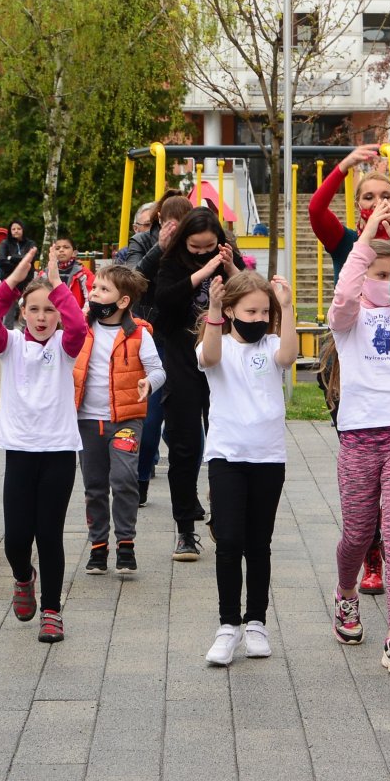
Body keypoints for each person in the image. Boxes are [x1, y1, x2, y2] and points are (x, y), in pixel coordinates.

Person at [0, 245, 91, 645]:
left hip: (59, 451)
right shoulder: (10, 345)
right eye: (35, 309)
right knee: (16, 539)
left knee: (50, 534)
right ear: (23, 312)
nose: (42, 317)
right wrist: (12, 282)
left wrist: (60, 287)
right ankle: (23, 577)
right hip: (21, 452)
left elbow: (79, 329)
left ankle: (52, 610)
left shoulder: (64, 347)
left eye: (50, 310)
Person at [325, 203, 390, 674]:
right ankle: (346, 594)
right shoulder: (348, 319)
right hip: (360, 437)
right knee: (359, 534)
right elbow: (345, 291)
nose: (383, 280)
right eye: (374, 272)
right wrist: (364, 239)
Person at [198, 271, 297, 665]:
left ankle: (256, 621)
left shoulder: (273, 344)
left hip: (268, 458)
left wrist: (286, 308)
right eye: (249, 311)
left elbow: (288, 357)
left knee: (259, 543)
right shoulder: (217, 344)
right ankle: (228, 625)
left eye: (263, 311)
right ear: (232, 309)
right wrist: (214, 310)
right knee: (229, 540)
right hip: (226, 456)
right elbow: (209, 358)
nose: (256, 318)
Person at [153, 207, 237, 560]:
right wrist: (204, 270)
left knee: (225, 441)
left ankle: (223, 517)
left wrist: (231, 267)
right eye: (195, 247)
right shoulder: (171, 263)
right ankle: (185, 528)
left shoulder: (227, 259)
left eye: (210, 246)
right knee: (185, 445)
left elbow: (250, 296)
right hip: (181, 358)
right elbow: (163, 300)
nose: (203, 252)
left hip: (220, 359)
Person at [73, 263, 163, 577]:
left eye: (102, 289)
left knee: (124, 478)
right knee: (94, 486)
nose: (95, 293)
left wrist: (149, 383)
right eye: (94, 288)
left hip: (126, 419)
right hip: (88, 421)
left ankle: (126, 542)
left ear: (122, 301)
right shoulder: (81, 328)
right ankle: (98, 546)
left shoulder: (139, 333)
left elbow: (158, 370)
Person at [130, 193, 194, 504]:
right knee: (151, 415)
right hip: (151, 334)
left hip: (184, 337)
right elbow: (131, 279)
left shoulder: (195, 244)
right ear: (159, 221)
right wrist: (160, 249)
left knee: (185, 419)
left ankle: (188, 489)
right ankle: (141, 477)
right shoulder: (143, 242)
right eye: (173, 224)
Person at [308, 144, 390, 272]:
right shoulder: (344, 241)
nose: (378, 203)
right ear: (358, 205)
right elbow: (316, 210)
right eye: (369, 197)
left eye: (386, 196)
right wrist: (344, 166)